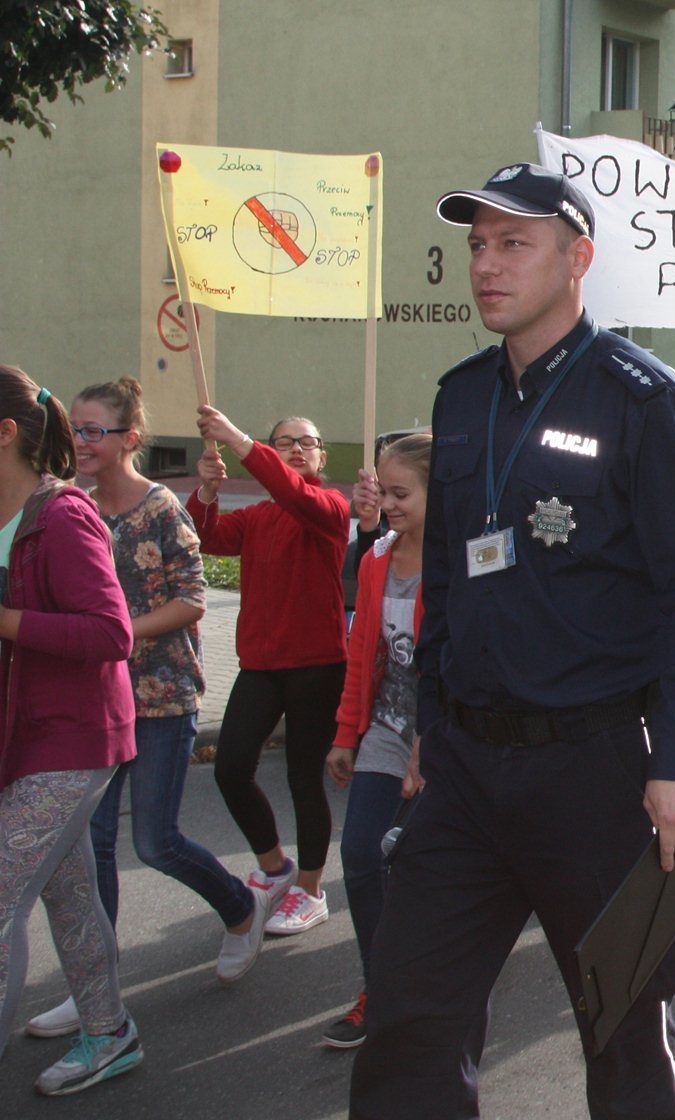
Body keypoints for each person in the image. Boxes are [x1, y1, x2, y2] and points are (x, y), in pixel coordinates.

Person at [351, 162, 675, 1118]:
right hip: (468, 773)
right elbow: (444, 573)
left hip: (597, 772)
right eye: (477, 244)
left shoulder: (639, 397)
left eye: (513, 243)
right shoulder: (460, 397)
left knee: (624, 1027)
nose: (486, 264)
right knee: (409, 1026)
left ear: (578, 259)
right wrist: (431, 723)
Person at [26, 381, 264, 1044]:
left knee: (154, 842)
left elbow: (193, 599)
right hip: (95, 703)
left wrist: (118, 630)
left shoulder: (160, 508)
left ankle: (242, 907)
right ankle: (94, 985)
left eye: (95, 429)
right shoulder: (67, 506)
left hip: (162, 698)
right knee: (92, 845)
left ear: (131, 438)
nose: (80, 440)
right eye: (75, 428)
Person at [0, 369, 140, 1097]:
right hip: (22, 738)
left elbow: (110, 631)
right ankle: (109, 1029)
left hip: (73, 737)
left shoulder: (63, 517)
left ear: (6, 434)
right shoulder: (7, 518)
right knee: (69, 892)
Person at [188, 404, 350, 938]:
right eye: (284, 442)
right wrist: (208, 491)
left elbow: (292, 493)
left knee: (304, 778)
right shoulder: (257, 518)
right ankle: (275, 865)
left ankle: (310, 888)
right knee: (231, 768)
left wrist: (235, 437)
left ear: (322, 455)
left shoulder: (328, 506)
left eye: (307, 441)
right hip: (260, 663)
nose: (297, 449)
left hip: (317, 664)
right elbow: (206, 539)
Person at [322, 434, 432, 1049]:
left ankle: (432, 986)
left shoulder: (469, 561)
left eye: (402, 493)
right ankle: (382, 987)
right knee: (362, 855)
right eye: (382, 491)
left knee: (424, 868)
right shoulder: (375, 559)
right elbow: (363, 653)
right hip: (387, 731)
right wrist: (345, 732)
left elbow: (472, 662)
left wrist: (433, 742)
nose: (388, 504)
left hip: (447, 741)